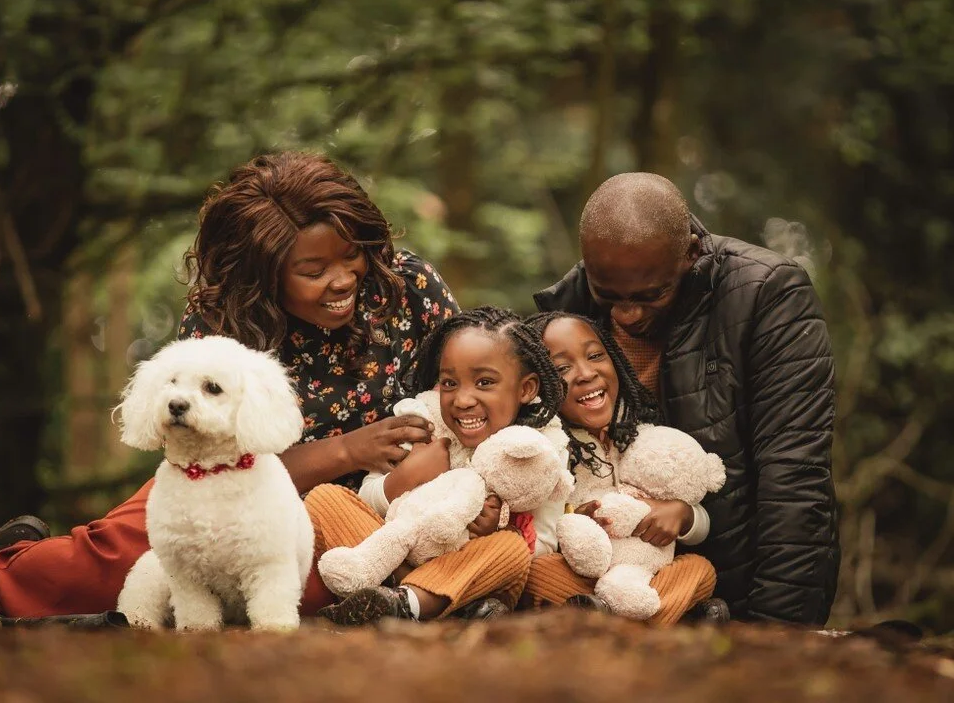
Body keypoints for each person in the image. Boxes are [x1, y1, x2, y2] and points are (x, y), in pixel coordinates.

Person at [0, 151, 465, 624]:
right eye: (314, 270)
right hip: (219, 482)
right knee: (127, 556)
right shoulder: (224, 318)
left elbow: (472, 393)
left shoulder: (407, 287)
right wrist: (345, 448)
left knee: (316, 586)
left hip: (363, 508)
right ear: (264, 272)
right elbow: (206, 447)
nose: (343, 280)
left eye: (352, 256)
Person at [533, 172, 839, 626]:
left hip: (734, 590)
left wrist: (778, 631)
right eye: (609, 296)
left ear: (691, 253)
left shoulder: (768, 296)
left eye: (650, 295)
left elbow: (795, 475)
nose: (626, 314)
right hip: (604, 593)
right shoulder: (567, 309)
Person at [317, 307, 569, 625]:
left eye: (484, 382)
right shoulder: (424, 423)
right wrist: (405, 477)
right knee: (327, 499)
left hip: (472, 567)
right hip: (392, 553)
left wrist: (496, 528)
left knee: (512, 547)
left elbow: (545, 544)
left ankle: (412, 601)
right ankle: (413, 601)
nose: (462, 400)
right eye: (450, 383)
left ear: (526, 389)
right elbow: (366, 498)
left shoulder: (540, 448)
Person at [522, 311, 722, 626]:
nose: (586, 373)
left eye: (595, 355)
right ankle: (658, 620)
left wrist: (683, 514)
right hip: (583, 578)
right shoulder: (549, 450)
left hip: (645, 575)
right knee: (542, 574)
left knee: (697, 569)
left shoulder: (643, 436)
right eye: (562, 367)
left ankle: (620, 621)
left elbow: (702, 524)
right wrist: (574, 522)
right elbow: (537, 532)